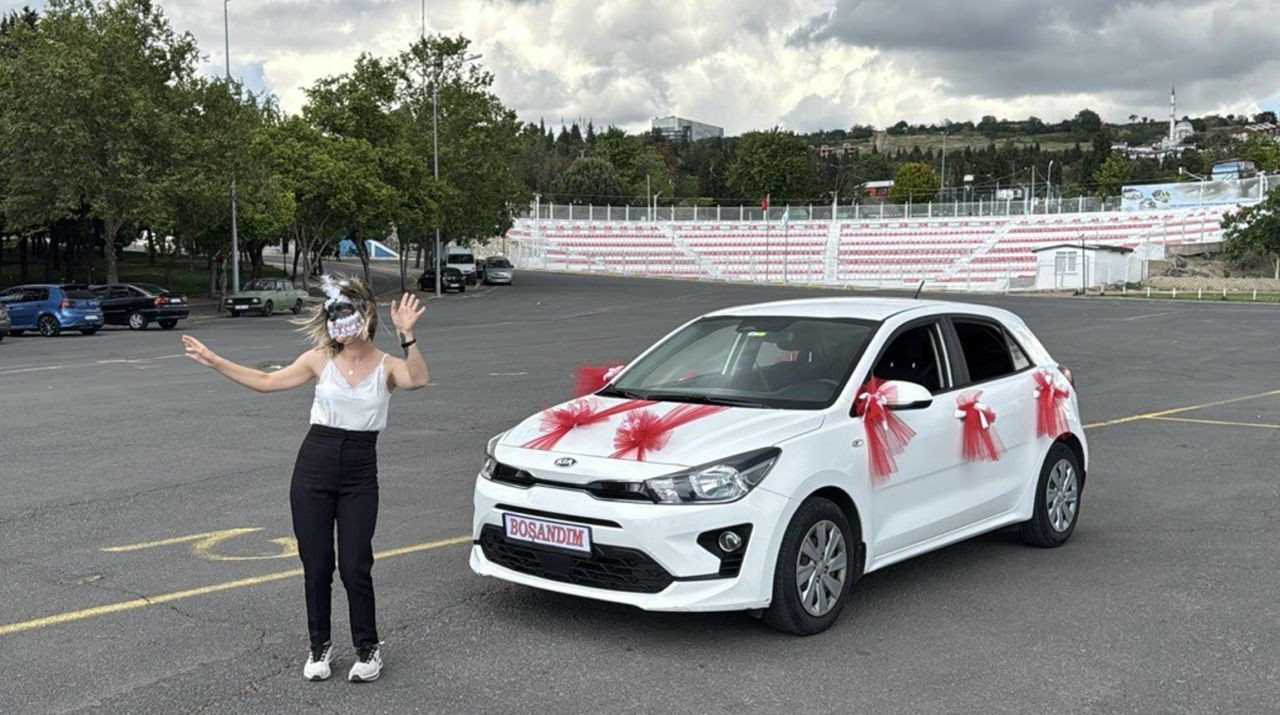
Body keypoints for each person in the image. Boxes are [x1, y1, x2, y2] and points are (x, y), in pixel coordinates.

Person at [181, 275, 428, 683]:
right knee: (316, 565)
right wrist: (215, 361)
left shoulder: (388, 365)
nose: (338, 323)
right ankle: (320, 647)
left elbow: (417, 379)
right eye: (333, 315)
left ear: (366, 315)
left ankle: (368, 649)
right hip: (313, 465)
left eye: (346, 313)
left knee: (355, 565)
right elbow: (266, 381)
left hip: (359, 471)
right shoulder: (319, 359)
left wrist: (407, 335)